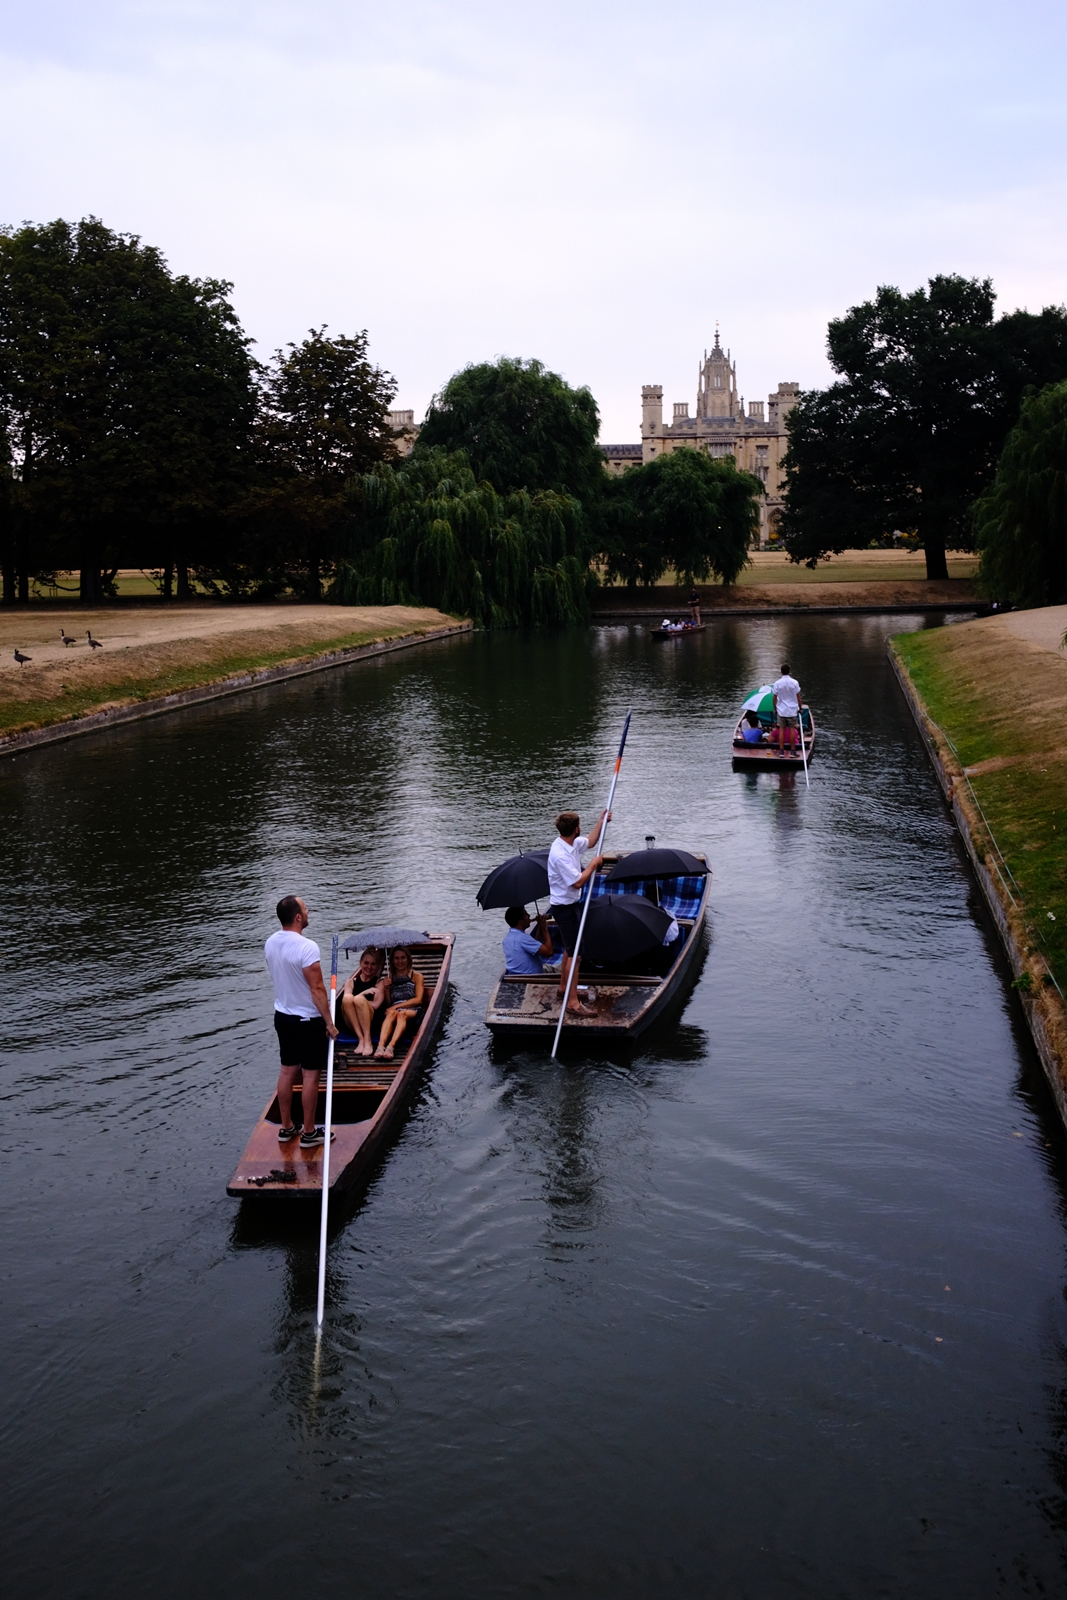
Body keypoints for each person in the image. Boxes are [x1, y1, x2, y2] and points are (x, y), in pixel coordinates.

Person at [264, 894, 339, 1148]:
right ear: (298, 917)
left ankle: (286, 1128)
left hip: (282, 1016)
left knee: (287, 1070)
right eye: (305, 909)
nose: (308, 912)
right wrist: (329, 1023)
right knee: (309, 1075)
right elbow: (318, 990)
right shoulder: (307, 947)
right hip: (308, 1021)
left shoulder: (270, 942)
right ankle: (309, 1133)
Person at [548, 808, 610, 1016]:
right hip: (564, 908)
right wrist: (593, 864)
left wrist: (601, 822)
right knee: (576, 955)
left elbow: (591, 842)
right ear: (576, 828)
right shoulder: (560, 854)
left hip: (570, 905)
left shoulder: (571, 842)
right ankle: (572, 1003)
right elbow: (577, 882)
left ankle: (564, 989)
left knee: (569, 949)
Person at [374, 947, 426, 1060]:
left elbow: (418, 1000)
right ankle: (380, 1046)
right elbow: (389, 1003)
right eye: (396, 958)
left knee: (401, 1014)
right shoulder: (390, 978)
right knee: (391, 1014)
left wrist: (396, 1007)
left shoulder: (417, 976)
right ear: (392, 960)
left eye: (403, 958)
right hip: (394, 1009)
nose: (400, 961)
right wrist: (387, 988)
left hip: (413, 1009)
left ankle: (391, 1047)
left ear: (408, 959)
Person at [339, 946, 387, 1057]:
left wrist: (360, 998)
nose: (369, 967)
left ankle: (367, 1040)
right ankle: (361, 1039)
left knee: (359, 1000)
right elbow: (347, 1002)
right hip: (353, 1024)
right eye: (366, 963)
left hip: (371, 1023)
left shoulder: (379, 983)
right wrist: (364, 993)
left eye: (373, 964)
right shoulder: (350, 982)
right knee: (347, 998)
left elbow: (375, 1005)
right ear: (360, 962)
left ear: (377, 966)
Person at [503, 906, 554, 975]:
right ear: (520, 922)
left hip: (515, 975)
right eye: (526, 915)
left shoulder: (507, 938)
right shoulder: (522, 938)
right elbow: (549, 952)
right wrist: (544, 929)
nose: (529, 916)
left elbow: (533, 946)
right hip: (532, 977)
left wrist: (539, 929)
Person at [772, 661, 803, 758]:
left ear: (781, 672)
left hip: (781, 710)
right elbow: (798, 697)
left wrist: (775, 708)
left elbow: (774, 697)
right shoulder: (794, 682)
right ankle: (792, 751)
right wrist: (800, 708)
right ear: (789, 671)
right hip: (792, 710)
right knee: (792, 730)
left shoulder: (777, 683)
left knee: (781, 730)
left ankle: (781, 751)